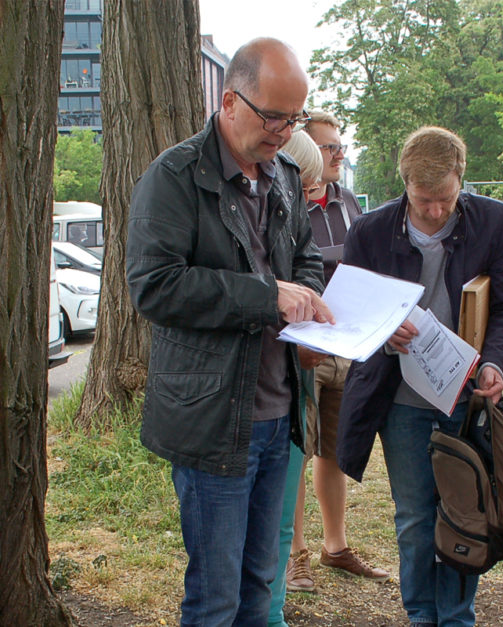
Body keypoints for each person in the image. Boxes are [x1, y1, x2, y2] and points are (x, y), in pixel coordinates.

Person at [126, 38, 333, 626]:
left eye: (294, 119)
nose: (284, 132)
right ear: (229, 101)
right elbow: (154, 286)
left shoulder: (285, 174)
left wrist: (306, 309)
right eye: (274, 117)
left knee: (258, 589)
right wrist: (266, 297)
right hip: (214, 421)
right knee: (215, 599)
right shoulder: (174, 176)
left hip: (279, 413)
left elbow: (305, 257)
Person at [336, 126, 503, 626]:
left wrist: (494, 362)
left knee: (466, 509)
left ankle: (457, 617)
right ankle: (421, 616)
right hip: (401, 401)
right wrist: (384, 330)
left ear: (462, 177)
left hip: (466, 396)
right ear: (404, 183)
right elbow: (351, 312)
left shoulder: (492, 221)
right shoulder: (370, 231)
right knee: (416, 516)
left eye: (446, 198)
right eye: (424, 201)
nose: (437, 210)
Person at [284, 112, 389, 593]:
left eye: (340, 146)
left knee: (334, 448)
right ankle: (295, 555)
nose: (339, 155)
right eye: (329, 148)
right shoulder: (286, 199)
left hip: (347, 345)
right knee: (298, 452)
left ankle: (336, 547)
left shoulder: (347, 201)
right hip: (304, 347)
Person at [266, 129, 324, 627]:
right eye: (303, 190)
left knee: (282, 520)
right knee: (260, 526)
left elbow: (308, 270)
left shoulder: (293, 230)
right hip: (257, 397)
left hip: (292, 390)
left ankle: (273, 614)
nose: (307, 201)